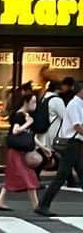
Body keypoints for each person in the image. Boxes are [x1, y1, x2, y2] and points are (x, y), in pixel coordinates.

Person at [36, 81, 83, 217]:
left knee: (77, 173)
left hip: (75, 144)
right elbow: (77, 127)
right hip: (71, 144)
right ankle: (44, 204)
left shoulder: (79, 105)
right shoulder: (74, 105)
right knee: (61, 175)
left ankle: (43, 204)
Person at [0, 90, 41, 213]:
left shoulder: (24, 115)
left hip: (18, 151)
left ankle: (0, 201)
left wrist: (43, 147)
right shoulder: (20, 115)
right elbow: (16, 131)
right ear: (26, 102)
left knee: (13, 176)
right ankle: (36, 205)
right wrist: (28, 123)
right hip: (17, 152)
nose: (35, 105)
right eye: (33, 102)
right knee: (28, 176)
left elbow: (30, 135)